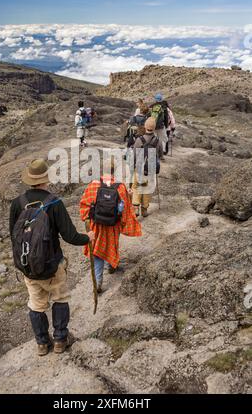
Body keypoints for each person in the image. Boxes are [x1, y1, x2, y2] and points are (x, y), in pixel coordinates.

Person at [9, 159, 95, 356]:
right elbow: (70, 236)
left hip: (28, 265)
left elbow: (13, 236)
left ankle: (41, 343)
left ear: (30, 179)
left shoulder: (17, 204)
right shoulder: (54, 203)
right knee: (60, 298)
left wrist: (23, 262)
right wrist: (87, 238)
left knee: (36, 304)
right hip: (52, 264)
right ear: (46, 179)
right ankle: (60, 340)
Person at [80, 161, 142, 294]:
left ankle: (97, 283)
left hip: (97, 225)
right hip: (112, 226)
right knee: (112, 244)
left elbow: (84, 205)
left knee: (97, 252)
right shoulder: (120, 187)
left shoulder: (93, 185)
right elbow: (125, 210)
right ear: (115, 171)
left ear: (103, 170)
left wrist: (87, 219)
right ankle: (112, 265)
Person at [131, 117, 162, 218]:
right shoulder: (158, 141)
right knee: (147, 188)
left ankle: (136, 207)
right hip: (151, 168)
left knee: (136, 186)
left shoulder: (139, 140)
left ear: (145, 127)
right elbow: (160, 155)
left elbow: (134, 154)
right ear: (154, 128)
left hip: (139, 167)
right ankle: (144, 209)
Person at [150, 93, 168, 160]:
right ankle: (162, 153)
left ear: (155, 99)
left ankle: (154, 153)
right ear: (161, 99)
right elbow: (166, 118)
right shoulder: (164, 107)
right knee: (163, 139)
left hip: (153, 126)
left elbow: (149, 115)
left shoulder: (152, 106)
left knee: (153, 139)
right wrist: (166, 126)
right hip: (161, 126)